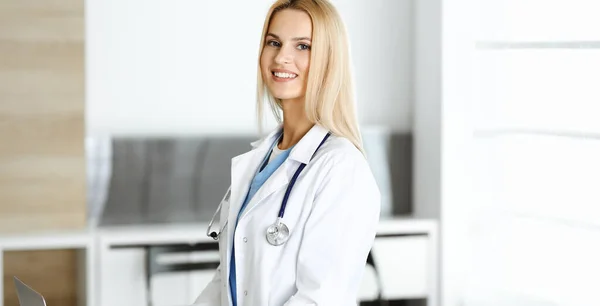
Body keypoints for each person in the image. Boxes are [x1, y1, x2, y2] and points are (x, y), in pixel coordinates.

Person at [193, 0, 380, 305]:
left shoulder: (342, 168)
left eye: (303, 46)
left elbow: (320, 298)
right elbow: (229, 280)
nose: (282, 57)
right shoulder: (260, 160)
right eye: (274, 42)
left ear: (329, 60)